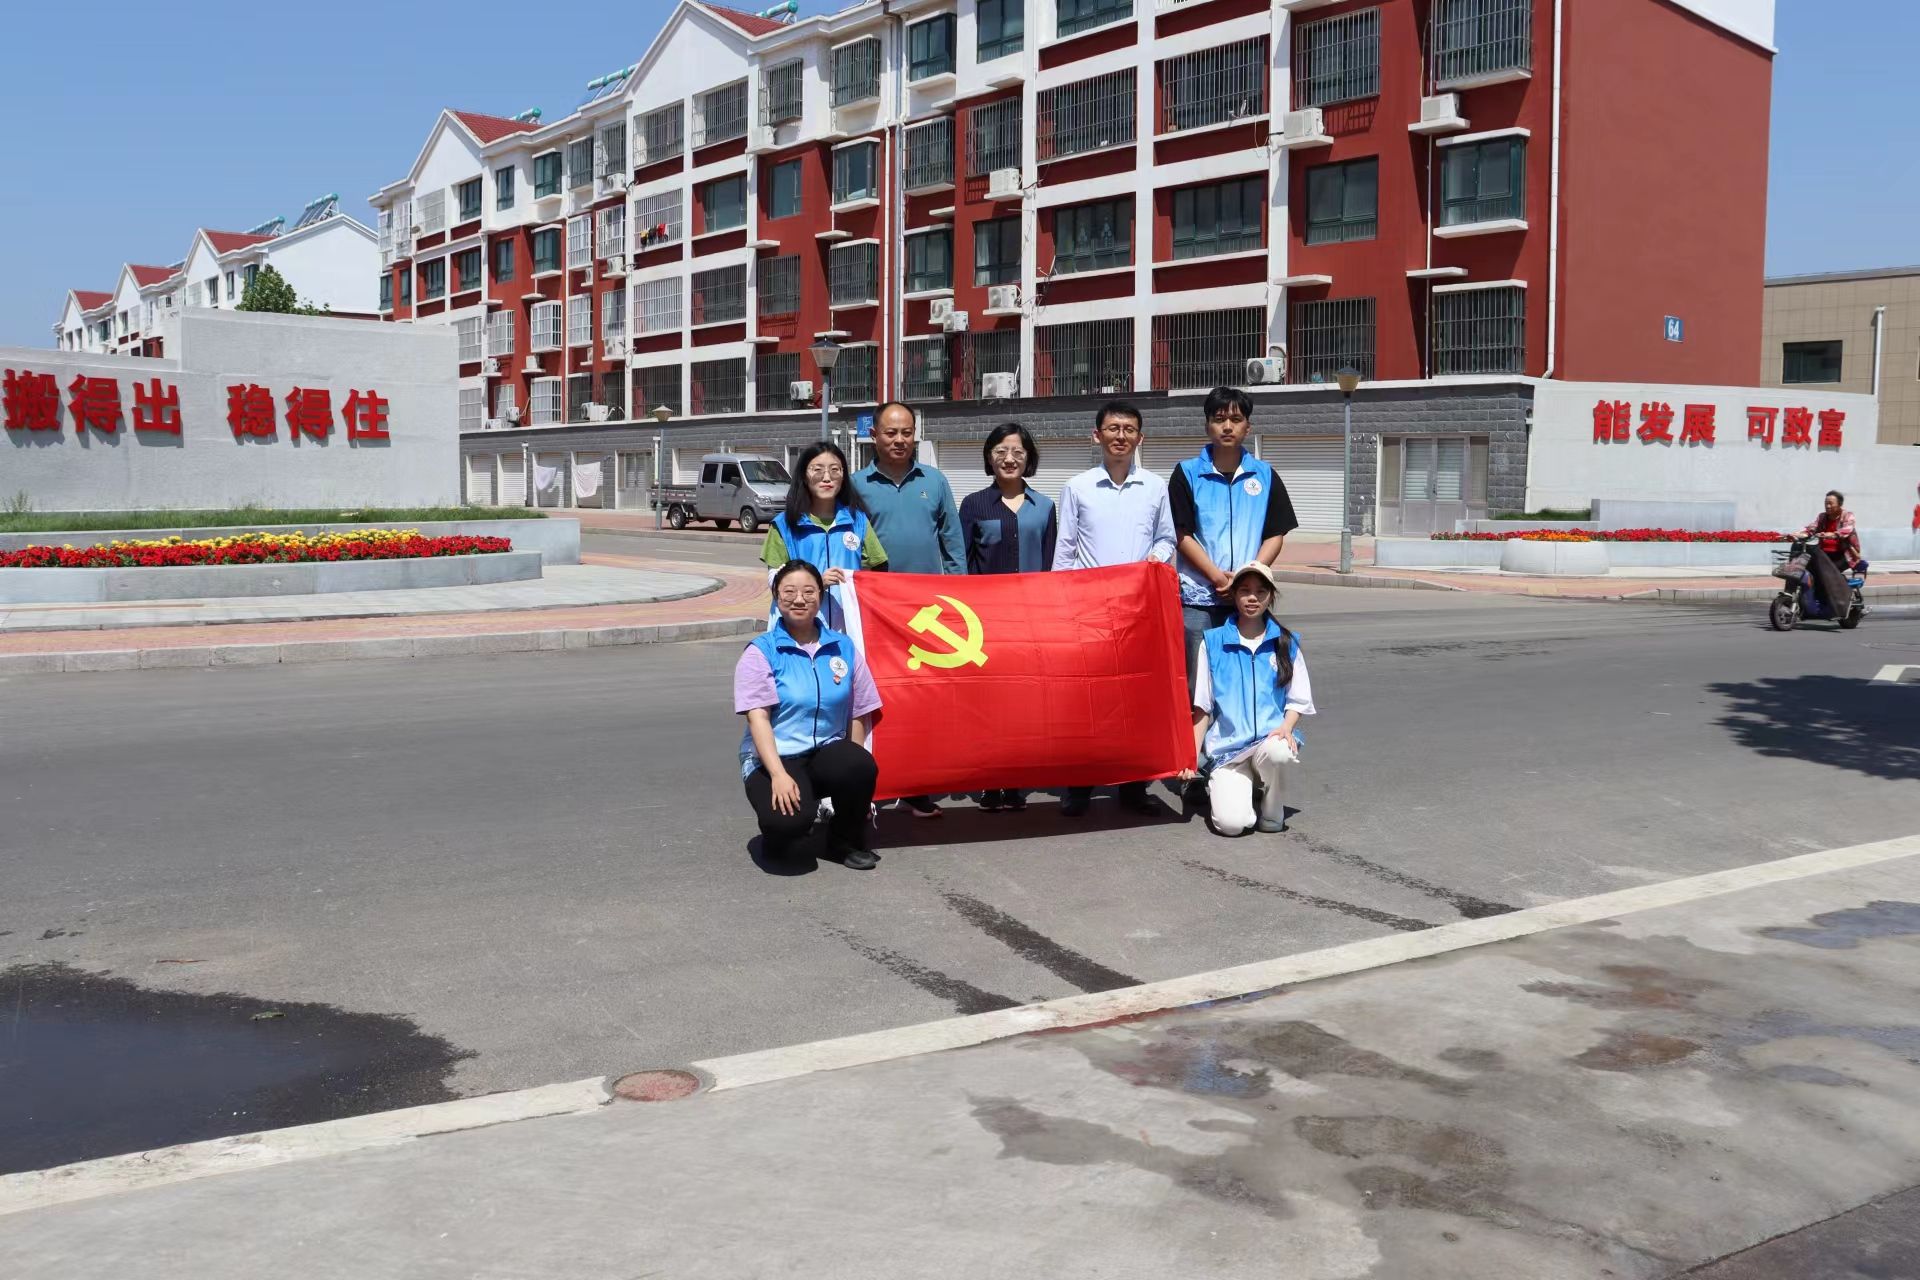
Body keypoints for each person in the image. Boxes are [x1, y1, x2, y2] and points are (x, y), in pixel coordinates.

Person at [1053, 399, 1177, 818]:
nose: (1120, 436)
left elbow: (1167, 538)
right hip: (1088, 612)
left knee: (1133, 701)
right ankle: (1079, 786)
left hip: (1137, 611)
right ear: (1097, 435)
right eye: (1112, 428)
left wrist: (1155, 559)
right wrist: (1061, 603)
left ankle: (1133, 786)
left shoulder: (1155, 487)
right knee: (1085, 701)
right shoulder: (1077, 487)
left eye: (1129, 429)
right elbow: (1066, 549)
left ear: (1140, 438)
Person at [853, 401, 964, 818]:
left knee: (922, 697)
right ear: (874, 436)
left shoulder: (934, 481)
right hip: (877, 610)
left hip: (927, 611)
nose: (899, 440)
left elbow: (952, 542)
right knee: (877, 696)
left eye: (906, 432)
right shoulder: (855, 485)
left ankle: (918, 785)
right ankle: (874, 780)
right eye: (890, 432)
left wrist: (959, 597)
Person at [736, 561, 883, 870]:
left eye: (808, 591)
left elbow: (859, 710)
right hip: (774, 758)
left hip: (824, 752)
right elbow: (758, 718)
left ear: (820, 595)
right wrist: (778, 775)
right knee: (788, 826)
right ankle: (778, 836)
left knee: (859, 764)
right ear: (776, 597)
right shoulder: (761, 651)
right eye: (789, 592)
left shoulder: (843, 646)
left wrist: (854, 776)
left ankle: (844, 840)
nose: (799, 599)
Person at [1168, 387, 1299, 699]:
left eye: (1236, 419)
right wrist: (1216, 577)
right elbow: (1181, 534)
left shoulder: (1265, 475)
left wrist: (1245, 576)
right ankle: (1198, 731)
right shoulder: (1187, 474)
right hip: (1198, 599)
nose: (1227, 426)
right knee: (1198, 682)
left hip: (1249, 598)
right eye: (1219, 419)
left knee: (1244, 676)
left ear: (1247, 427)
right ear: (1207, 426)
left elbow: (1275, 533)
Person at [959, 423, 1058, 811]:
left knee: (1022, 702)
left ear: (1029, 458)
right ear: (989, 457)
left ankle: (1016, 777)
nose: (1009, 458)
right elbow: (963, 563)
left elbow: (1051, 565)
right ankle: (989, 778)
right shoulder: (974, 505)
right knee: (987, 702)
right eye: (1000, 451)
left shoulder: (1045, 507)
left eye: (1017, 451)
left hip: (1030, 623)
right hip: (985, 623)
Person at [1184, 561, 1315, 837]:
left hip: (1269, 742)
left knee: (1280, 750)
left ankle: (1272, 810)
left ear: (1271, 595)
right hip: (1229, 751)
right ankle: (1240, 788)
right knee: (1232, 825)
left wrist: (1286, 727)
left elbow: (1298, 698)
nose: (1252, 597)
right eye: (1244, 590)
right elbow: (1203, 706)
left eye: (1260, 591)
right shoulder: (1213, 642)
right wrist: (1191, 757)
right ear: (1234, 595)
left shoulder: (1286, 643)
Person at [761, 441, 887, 629]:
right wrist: (816, 583)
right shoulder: (784, 524)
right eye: (818, 470)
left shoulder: (858, 521)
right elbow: (775, 583)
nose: (827, 478)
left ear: (843, 476)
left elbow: (879, 571)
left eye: (835, 470)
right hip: (797, 630)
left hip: (846, 631)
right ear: (804, 476)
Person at [1796, 489, 1863, 620]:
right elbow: (1812, 528)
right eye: (1826, 503)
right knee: (1809, 572)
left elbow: (1847, 530)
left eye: (1831, 503)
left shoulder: (1847, 516)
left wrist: (1832, 534)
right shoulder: (1822, 517)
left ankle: (1835, 605)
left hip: (1844, 556)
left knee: (1825, 575)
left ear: (1839, 504)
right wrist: (1799, 534)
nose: (1827, 506)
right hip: (1824, 555)